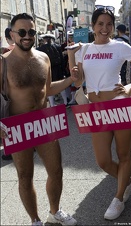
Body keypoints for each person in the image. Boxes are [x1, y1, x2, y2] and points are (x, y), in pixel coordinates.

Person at [67, 7, 131, 221]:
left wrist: (130, 90)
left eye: (109, 24)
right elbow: (78, 82)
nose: (105, 28)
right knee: (103, 161)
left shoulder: (120, 46)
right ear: (93, 26)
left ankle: (118, 198)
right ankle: (126, 181)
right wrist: (71, 56)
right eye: (100, 24)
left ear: (113, 27)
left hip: (119, 105)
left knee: (124, 154)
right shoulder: (84, 49)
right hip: (96, 109)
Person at [0, 13, 78, 226]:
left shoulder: (43, 58)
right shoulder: (3, 62)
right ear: (12, 34)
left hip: (45, 121)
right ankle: (35, 220)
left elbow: (48, 88)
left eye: (31, 32)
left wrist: (71, 80)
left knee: (56, 171)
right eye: (22, 32)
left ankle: (55, 212)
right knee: (25, 176)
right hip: (17, 126)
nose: (27, 36)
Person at [37, 34, 69, 107]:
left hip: (49, 69)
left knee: (49, 86)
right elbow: (62, 59)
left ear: (45, 39)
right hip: (58, 69)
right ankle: (65, 102)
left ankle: (52, 104)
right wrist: (63, 69)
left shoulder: (41, 48)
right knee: (61, 85)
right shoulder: (57, 47)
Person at [1, 27, 15, 160]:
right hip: (22, 93)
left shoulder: (6, 53)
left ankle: (9, 150)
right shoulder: (24, 51)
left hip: (8, 92)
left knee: (7, 121)